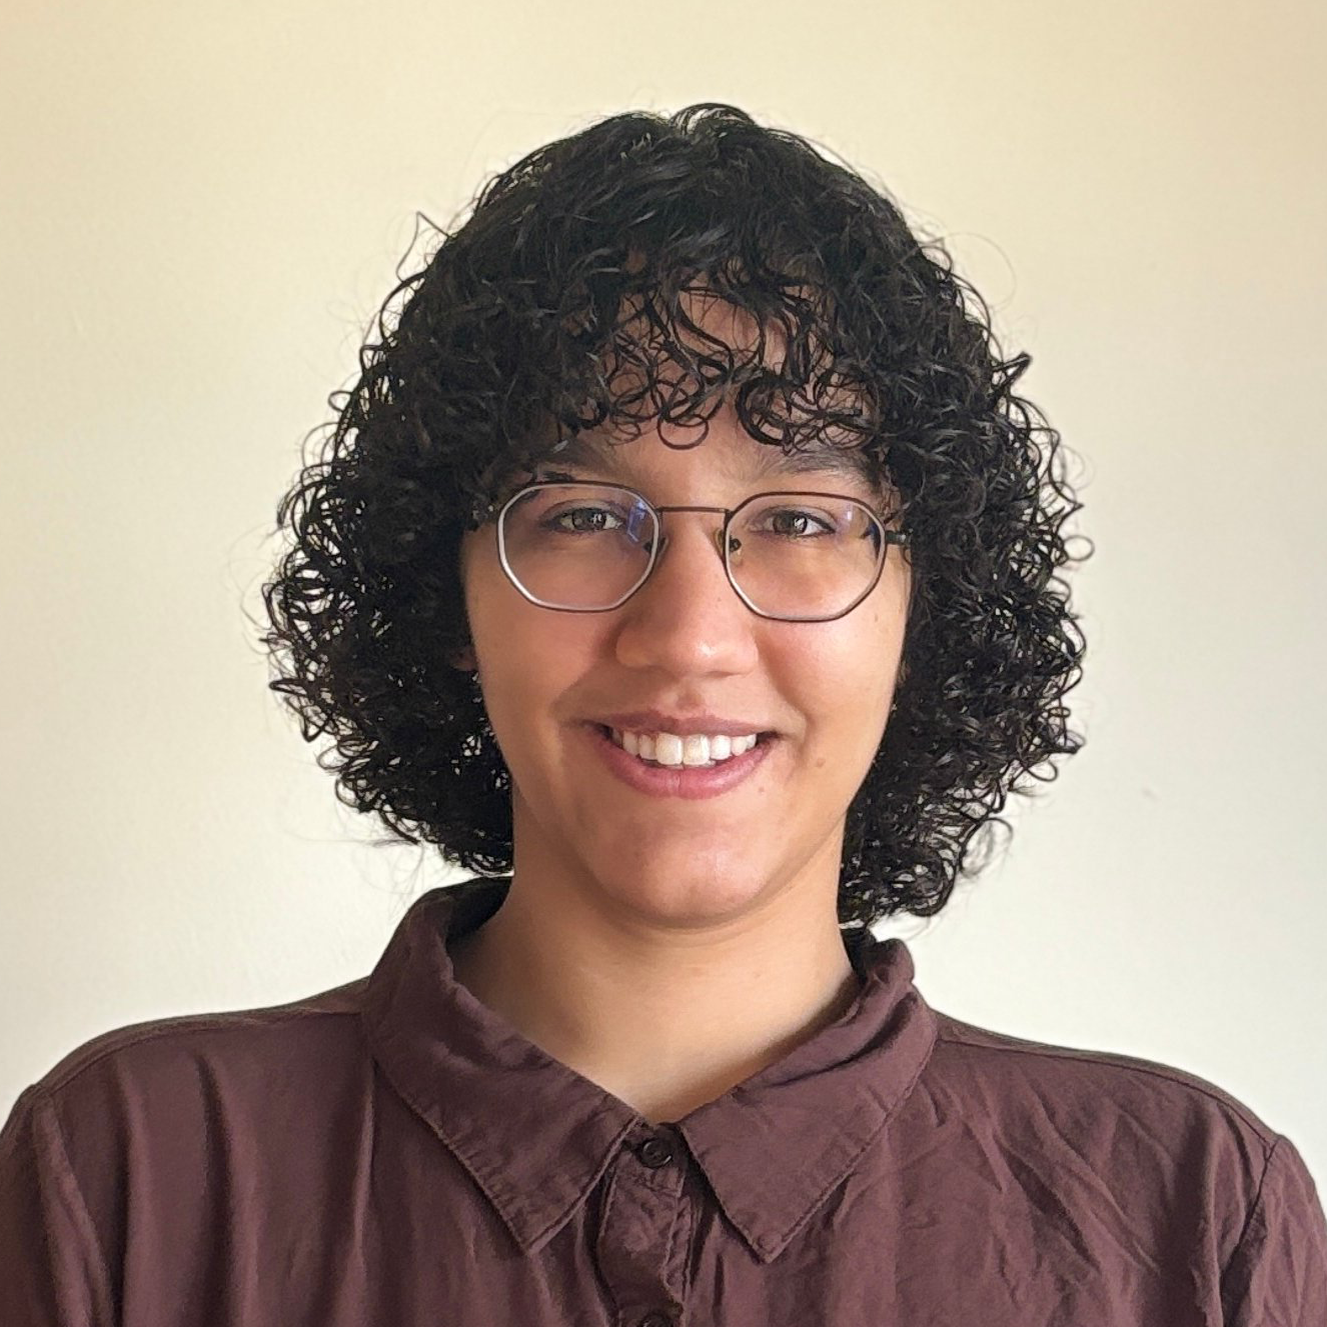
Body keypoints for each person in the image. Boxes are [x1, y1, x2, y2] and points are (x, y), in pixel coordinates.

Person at [1, 103, 1323, 1326]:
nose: (687, 632)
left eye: (801, 518)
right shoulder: (131, 1178)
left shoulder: (1190, 1219)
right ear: (444, 593)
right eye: (579, 515)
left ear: (928, 607)